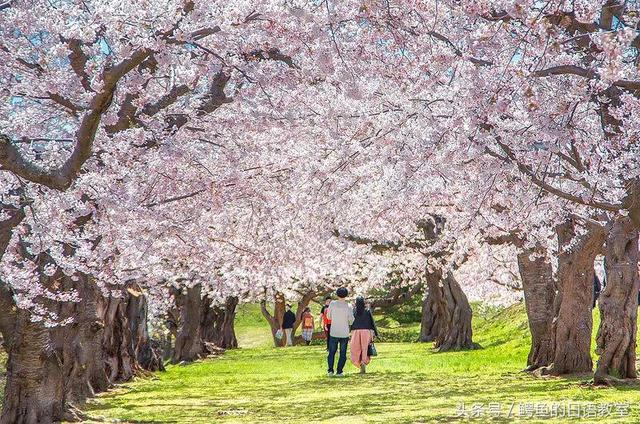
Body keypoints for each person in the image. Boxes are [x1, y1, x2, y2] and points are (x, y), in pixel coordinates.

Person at [327, 287, 354, 377]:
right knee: (343, 353)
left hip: (334, 331)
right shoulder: (348, 306)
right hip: (344, 332)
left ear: (337, 294)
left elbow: (328, 317)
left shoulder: (332, 304)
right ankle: (339, 371)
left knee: (332, 352)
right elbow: (351, 320)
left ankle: (330, 370)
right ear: (346, 295)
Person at [350, 296, 379, 374]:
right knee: (365, 348)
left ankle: (357, 362)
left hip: (356, 331)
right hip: (366, 331)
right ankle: (364, 362)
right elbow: (372, 322)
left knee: (355, 348)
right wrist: (375, 333)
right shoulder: (367, 311)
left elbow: (351, 322)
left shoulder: (354, 311)